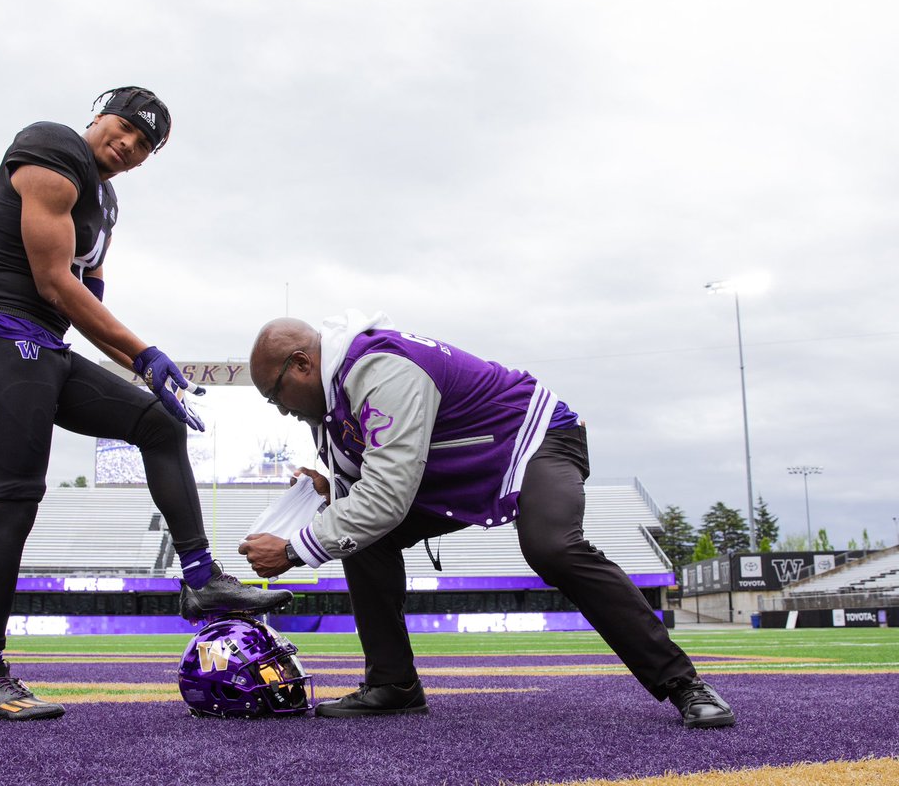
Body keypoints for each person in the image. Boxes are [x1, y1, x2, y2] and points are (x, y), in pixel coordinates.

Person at [0, 87, 291, 721]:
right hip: (3, 338)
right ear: (98, 115)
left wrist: (132, 356)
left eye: (145, 145)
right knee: (16, 503)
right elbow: (54, 283)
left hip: (47, 349)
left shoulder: (105, 202)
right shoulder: (51, 148)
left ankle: (199, 579)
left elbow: (89, 294)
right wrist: (142, 354)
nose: (130, 145)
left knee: (159, 423)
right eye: (127, 128)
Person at [238, 311, 735, 729]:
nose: (280, 410)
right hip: (461, 466)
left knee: (552, 547)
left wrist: (291, 549)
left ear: (303, 364)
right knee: (362, 537)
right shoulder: (333, 403)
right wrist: (328, 490)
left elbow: (387, 495)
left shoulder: (379, 369)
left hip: (533, 440)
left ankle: (684, 683)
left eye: (274, 395)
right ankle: (393, 684)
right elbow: (368, 489)